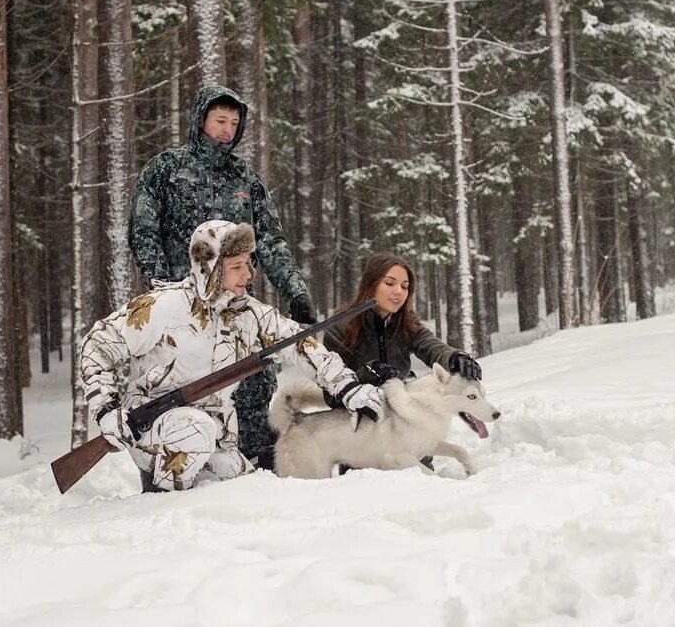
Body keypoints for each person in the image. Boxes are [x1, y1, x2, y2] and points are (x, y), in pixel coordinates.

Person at [80, 220, 384, 493]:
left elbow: (301, 344)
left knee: (248, 495)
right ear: (210, 267)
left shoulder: (248, 313)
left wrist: (348, 387)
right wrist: (107, 409)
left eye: (248, 263)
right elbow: (97, 345)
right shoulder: (163, 307)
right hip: (152, 430)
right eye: (237, 266)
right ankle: (161, 507)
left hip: (216, 436)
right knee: (196, 431)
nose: (248, 274)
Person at [128, 85, 317, 469]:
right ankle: (174, 469)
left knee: (253, 381)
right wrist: (160, 284)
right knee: (181, 390)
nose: (227, 130)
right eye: (220, 121)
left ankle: (258, 468)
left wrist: (294, 290)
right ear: (200, 120)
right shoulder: (166, 169)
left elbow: (270, 240)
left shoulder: (244, 178)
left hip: (235, 304)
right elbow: (142, 229)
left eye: (234, 122)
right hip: (183, 308)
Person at [323, 254, 483, 469]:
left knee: (422, 491)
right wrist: (364, 375)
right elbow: (330, 392)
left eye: (405, 286)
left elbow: (429, 345)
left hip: (409, 431)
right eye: (390, 283)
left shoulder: (406, 321)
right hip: (364, 438)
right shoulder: (340, 326)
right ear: (371, 284)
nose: (399, 291)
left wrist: (454, 357)